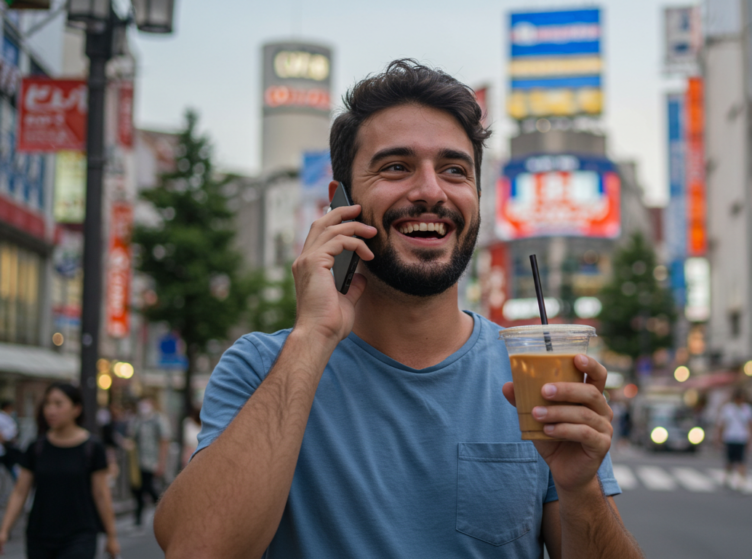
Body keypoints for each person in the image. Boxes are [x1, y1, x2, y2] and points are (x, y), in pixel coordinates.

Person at [154, 60, 641, 559]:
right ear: (339, 202)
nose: (431, 191)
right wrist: (313, 336)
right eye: (396, 167)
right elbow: (196, 547)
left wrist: (581, 489)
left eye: (455, 170)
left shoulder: (533, 375)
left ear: (476, 196)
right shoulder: (261, 367)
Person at [0, 383, 119, 558]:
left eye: (58, 404)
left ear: (76, 409)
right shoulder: (37, 447)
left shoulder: (92, 448)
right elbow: (20, 492)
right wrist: (4, 530)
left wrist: (111, 536)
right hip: (39, 536)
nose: (51, 410)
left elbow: (101, 494)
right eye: (48, 404)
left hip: (80, 535)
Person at [129, 397, 170, 526]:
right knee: (137, 489)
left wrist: (161, 462)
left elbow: (164, 441)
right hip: (137, 462)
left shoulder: (158, 419)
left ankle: (165, 512)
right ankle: (138, 520)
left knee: (149, 488)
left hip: (151, 461)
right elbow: (131, 436)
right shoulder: (137, 420)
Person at [716, 388, 752, 489]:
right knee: (729, 460)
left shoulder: (747, 409)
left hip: (742, 438)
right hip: (730, 437)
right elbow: (722, 424)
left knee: (741, 461)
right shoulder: (728, 408)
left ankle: (741, 481)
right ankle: (728, 478)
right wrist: (719, 437)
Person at [0, 400, 20, 481]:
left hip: (6, 448)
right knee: (10, 467)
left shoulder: (7, 418)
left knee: (10, 467)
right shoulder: (2, 418)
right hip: (4, 447)